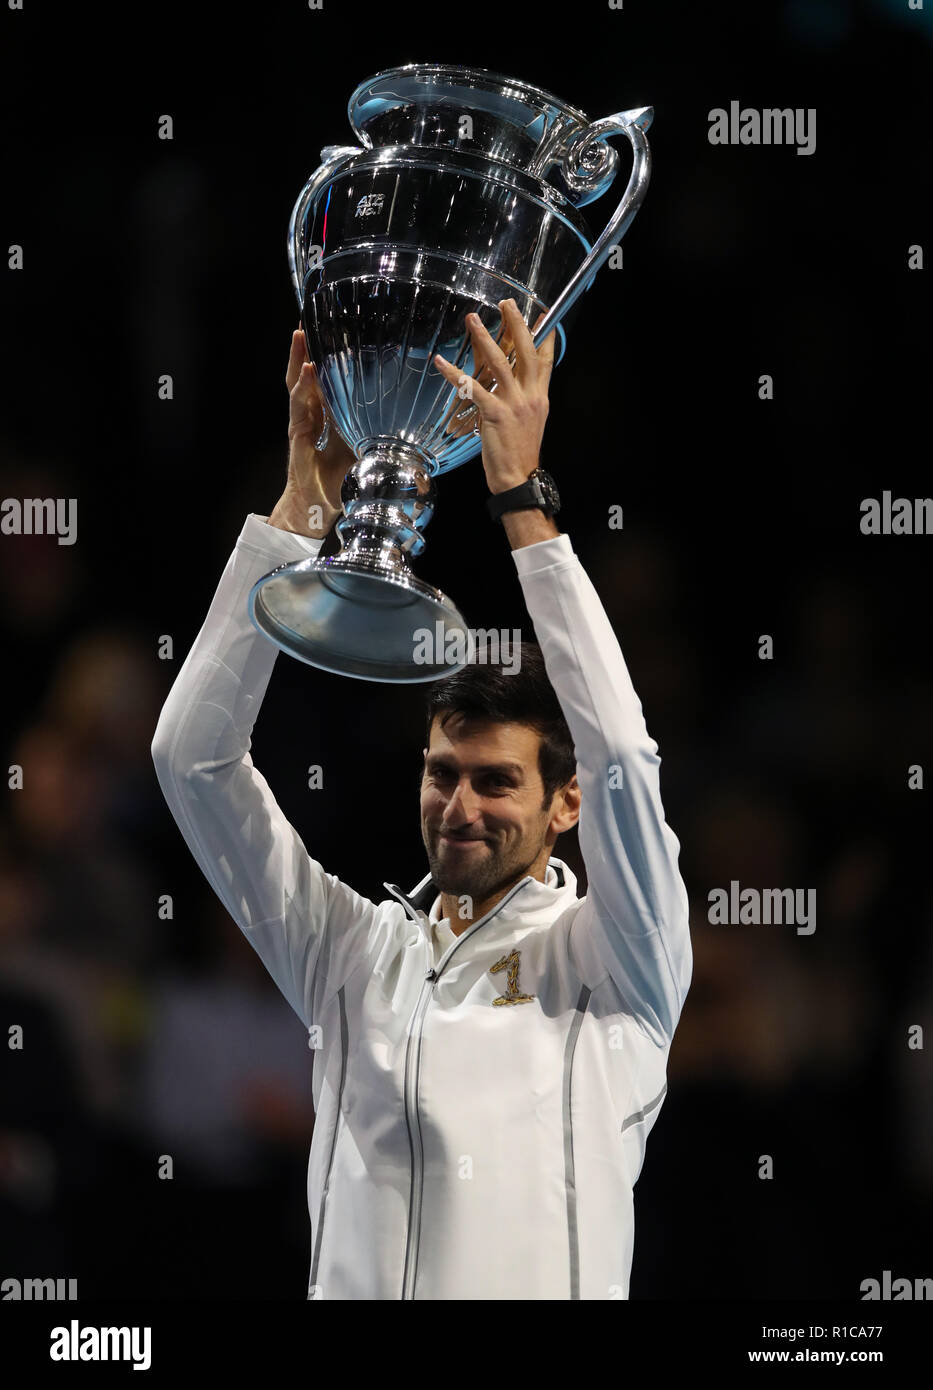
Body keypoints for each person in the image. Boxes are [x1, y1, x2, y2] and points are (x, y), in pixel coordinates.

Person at [150, 300, 692, 1299]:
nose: (461, 804)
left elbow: (620, 749)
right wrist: (298, 519)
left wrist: (523, 500)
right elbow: (191, 761)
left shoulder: (616, 959)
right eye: (444, 772)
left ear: (564, 805)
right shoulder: (351, 953)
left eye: (498, 781)